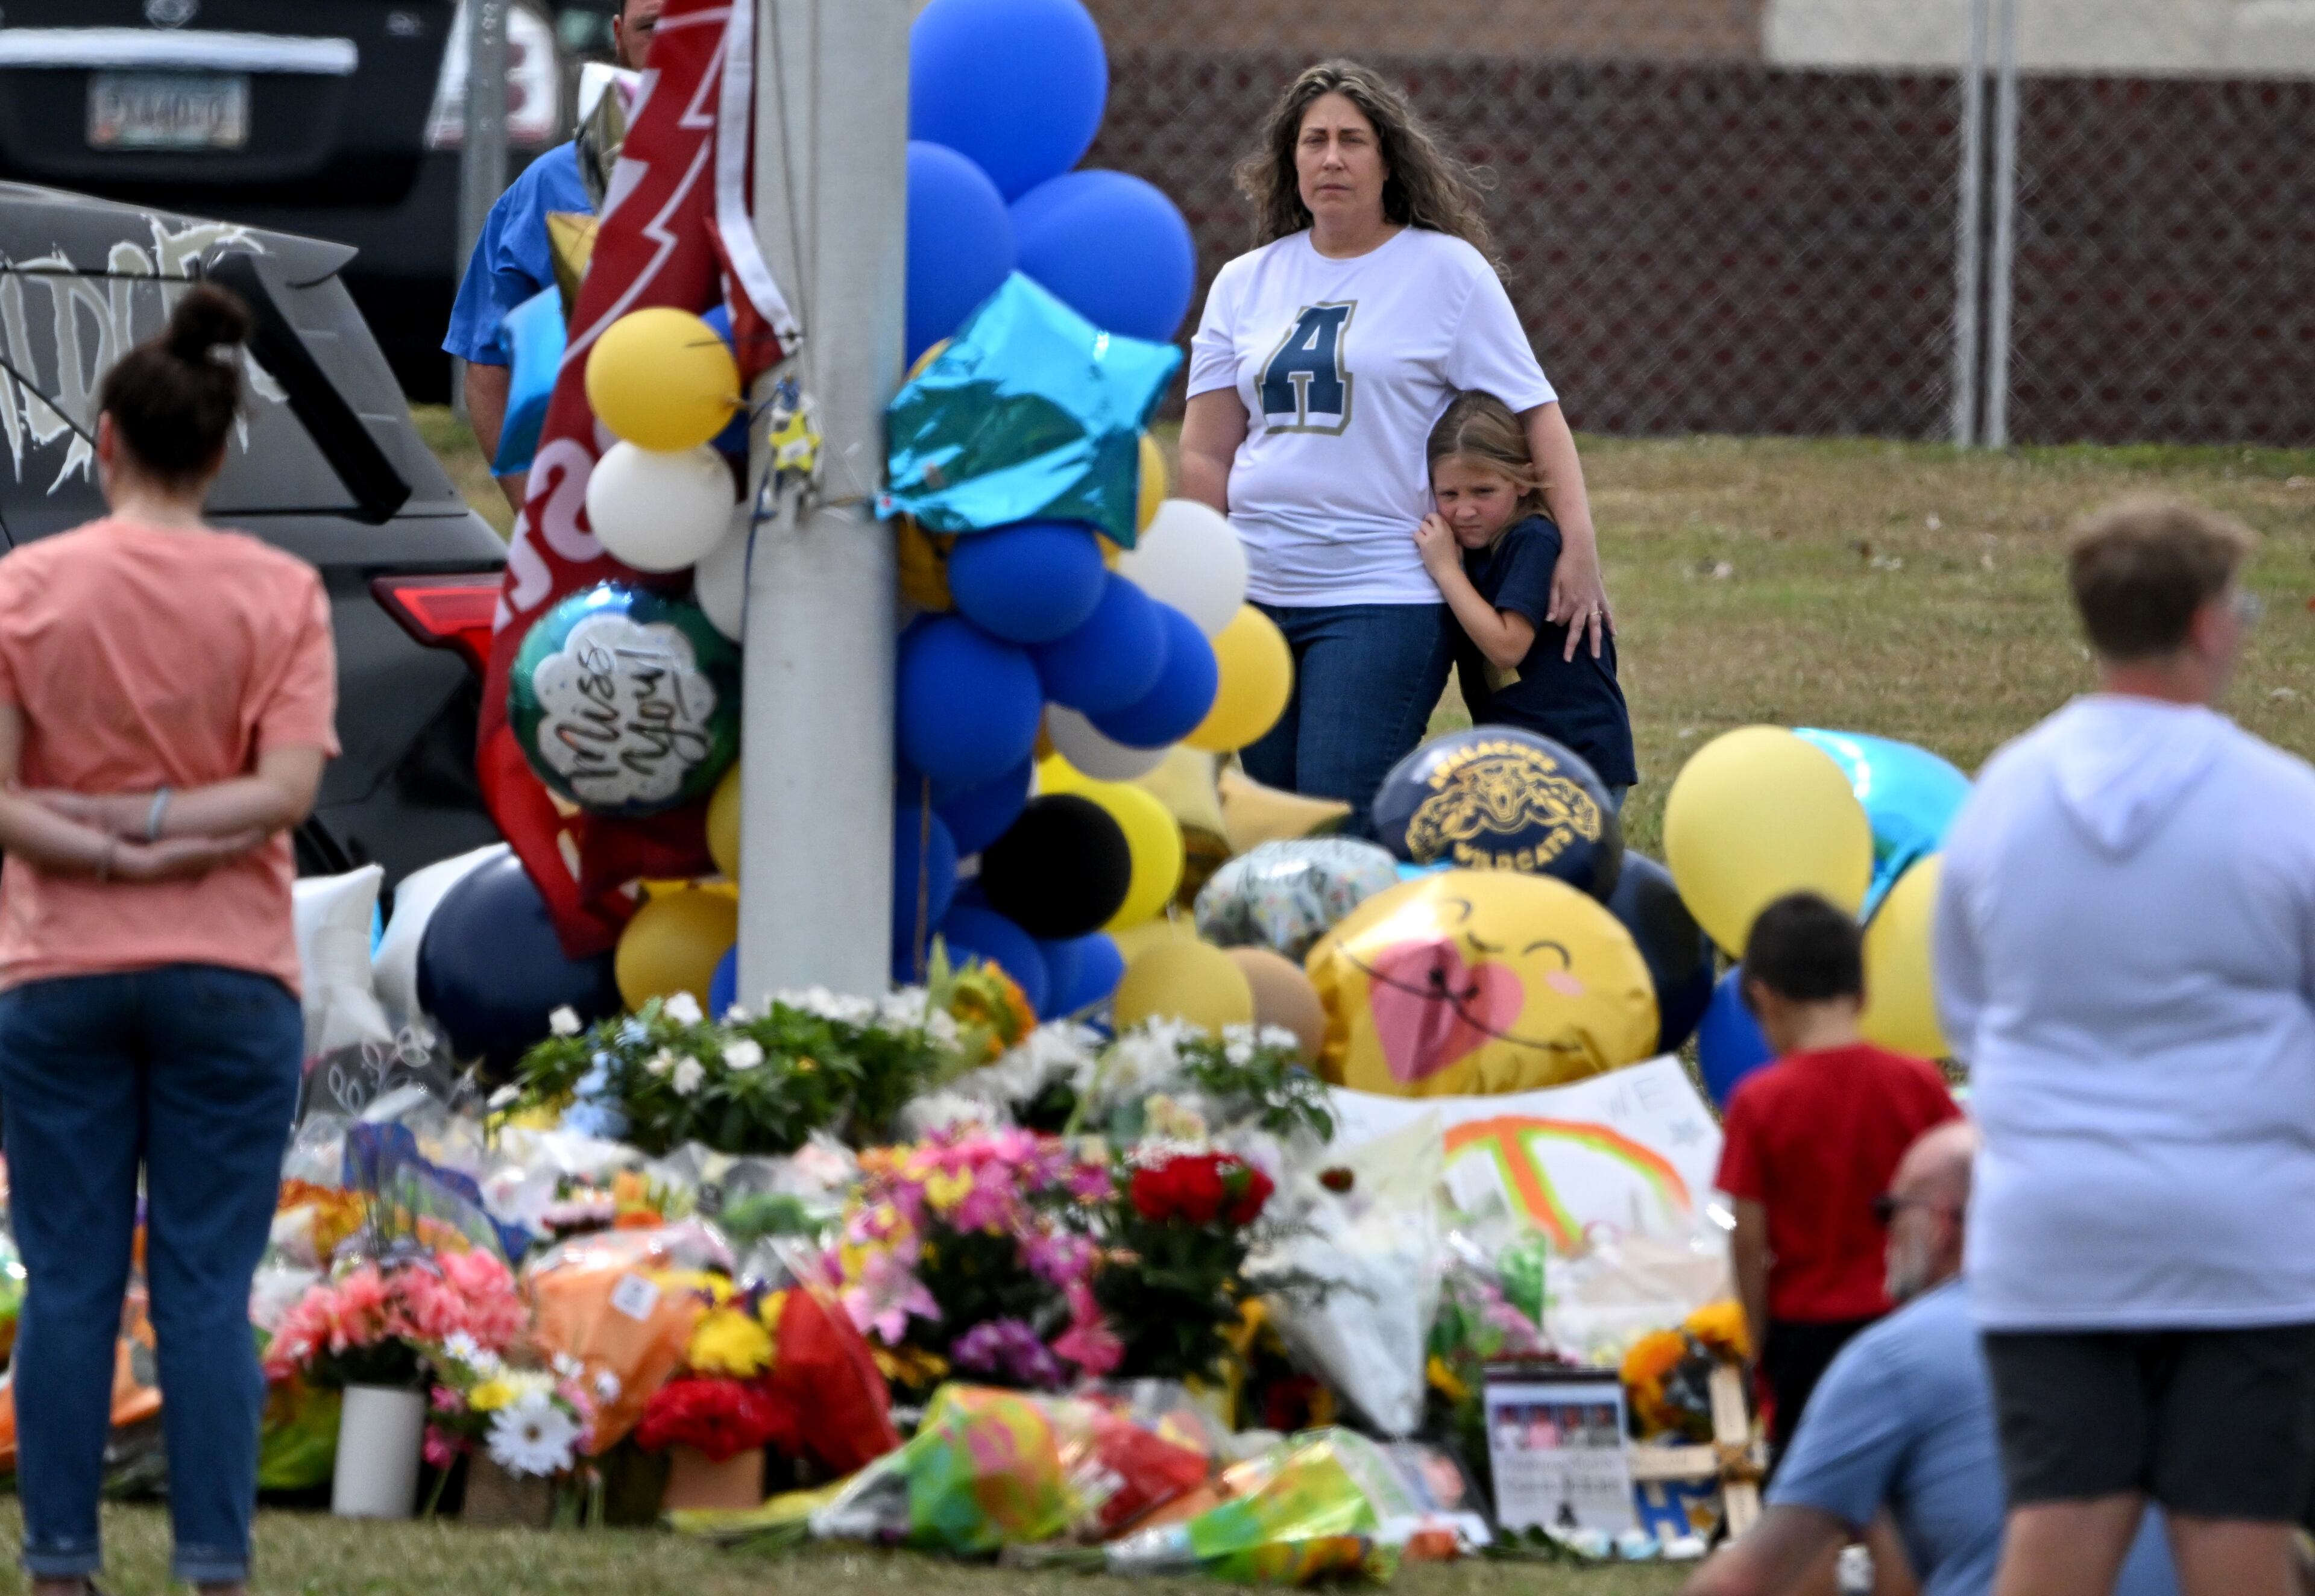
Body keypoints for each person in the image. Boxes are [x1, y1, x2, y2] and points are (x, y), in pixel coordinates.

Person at [0, 286, 337, 1595]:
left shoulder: (25, 588)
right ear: (217, 450)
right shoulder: (280, 593)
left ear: (104, 442)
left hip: (57, 968)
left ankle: (63, 1562)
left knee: (72, 1279)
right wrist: (173, 830)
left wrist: (94, 839)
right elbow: (289, 791)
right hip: (228, 966)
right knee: (206, 1285)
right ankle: (213, 1564)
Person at [1933, 500, 2315, 1596]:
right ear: (2205, 624)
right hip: (2241, 1235)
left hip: (2055, 1227)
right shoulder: (2281, 804)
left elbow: (1970, 1004)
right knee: (2238, 1544)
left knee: (2055, 1536)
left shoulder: (2004, 795)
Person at [1179, 60, 1610, 832]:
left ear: (1388, 159)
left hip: (1380, 592)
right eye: (1314, 141)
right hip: (1254, 592)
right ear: (1291, 160)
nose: (1332, 158)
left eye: (1353, 139)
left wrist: (1579, 547)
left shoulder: (1446, 272)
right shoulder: (1244, 283)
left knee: (1338, 822)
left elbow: (1538, 414)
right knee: (1275, 826)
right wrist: (1198, 579)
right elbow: (1207, 452)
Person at [1684, 1123, 2179, 1596]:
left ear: (1942, 1223)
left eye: (1889, 1211)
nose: (1884, 1234)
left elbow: (1746, 1581)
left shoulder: (1894, 1358)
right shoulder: (2159, 1334)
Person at [1715, 892, 1961, 1454]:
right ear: (1863, 994)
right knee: (1903, 1478)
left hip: (1806, 1333)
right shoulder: (1918, 1082)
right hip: (1904, 1321)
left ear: (1762, 999)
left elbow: (1747, 1237)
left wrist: (1759, 1343)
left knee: (1815, 1489)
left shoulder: (1760, 1102)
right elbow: (1957, 1189)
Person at [443, 0, 661, 508]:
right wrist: (536, 520)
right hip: (602, 508)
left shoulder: (766, 178)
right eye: (650, 27)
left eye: (689, 29)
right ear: (618, 35)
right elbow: (488, 369)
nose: (670, 46)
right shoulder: (550, 185)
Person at [1415, 390, 1637, 805]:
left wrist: (1445, 570)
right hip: (1520, 764)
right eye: (1450, 495)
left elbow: (1506, 647)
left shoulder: (1531, 539)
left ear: (1522, 481)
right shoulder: (1476, 549)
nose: (1465, 510)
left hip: (1576, 763)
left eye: (1483, 491)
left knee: (1561, 872)